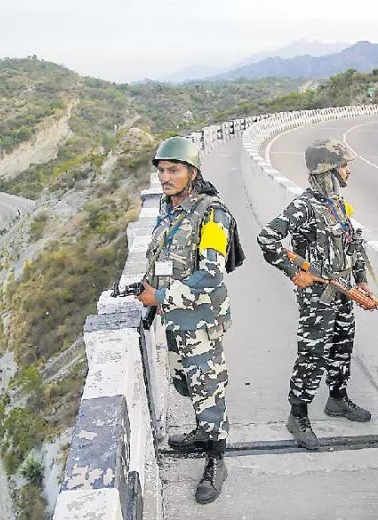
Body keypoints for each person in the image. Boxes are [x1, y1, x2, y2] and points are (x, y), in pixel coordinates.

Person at [137, 136, 241, 504]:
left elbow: (211, 274)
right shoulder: (169, 210)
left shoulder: (212, 214)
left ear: (192, 172)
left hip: (200, 323)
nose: (165, 177)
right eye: (162, 171)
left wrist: (160, 296)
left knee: (208, 389)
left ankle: (216, 459)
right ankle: (202, 432)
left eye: (173, 170)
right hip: (176, 321)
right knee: (188, 384)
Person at [256, 138, 373, 450]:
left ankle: (337, 399)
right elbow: (267, 238)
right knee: (312, 354)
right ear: (328, 171)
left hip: (344, 291)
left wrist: (360, 278)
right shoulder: (304, 207)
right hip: (318, 298)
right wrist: (295, 273)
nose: (349, 172)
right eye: (344, 166)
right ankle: (298, 414)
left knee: (341, 346)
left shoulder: (336, 205)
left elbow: (351, 244)